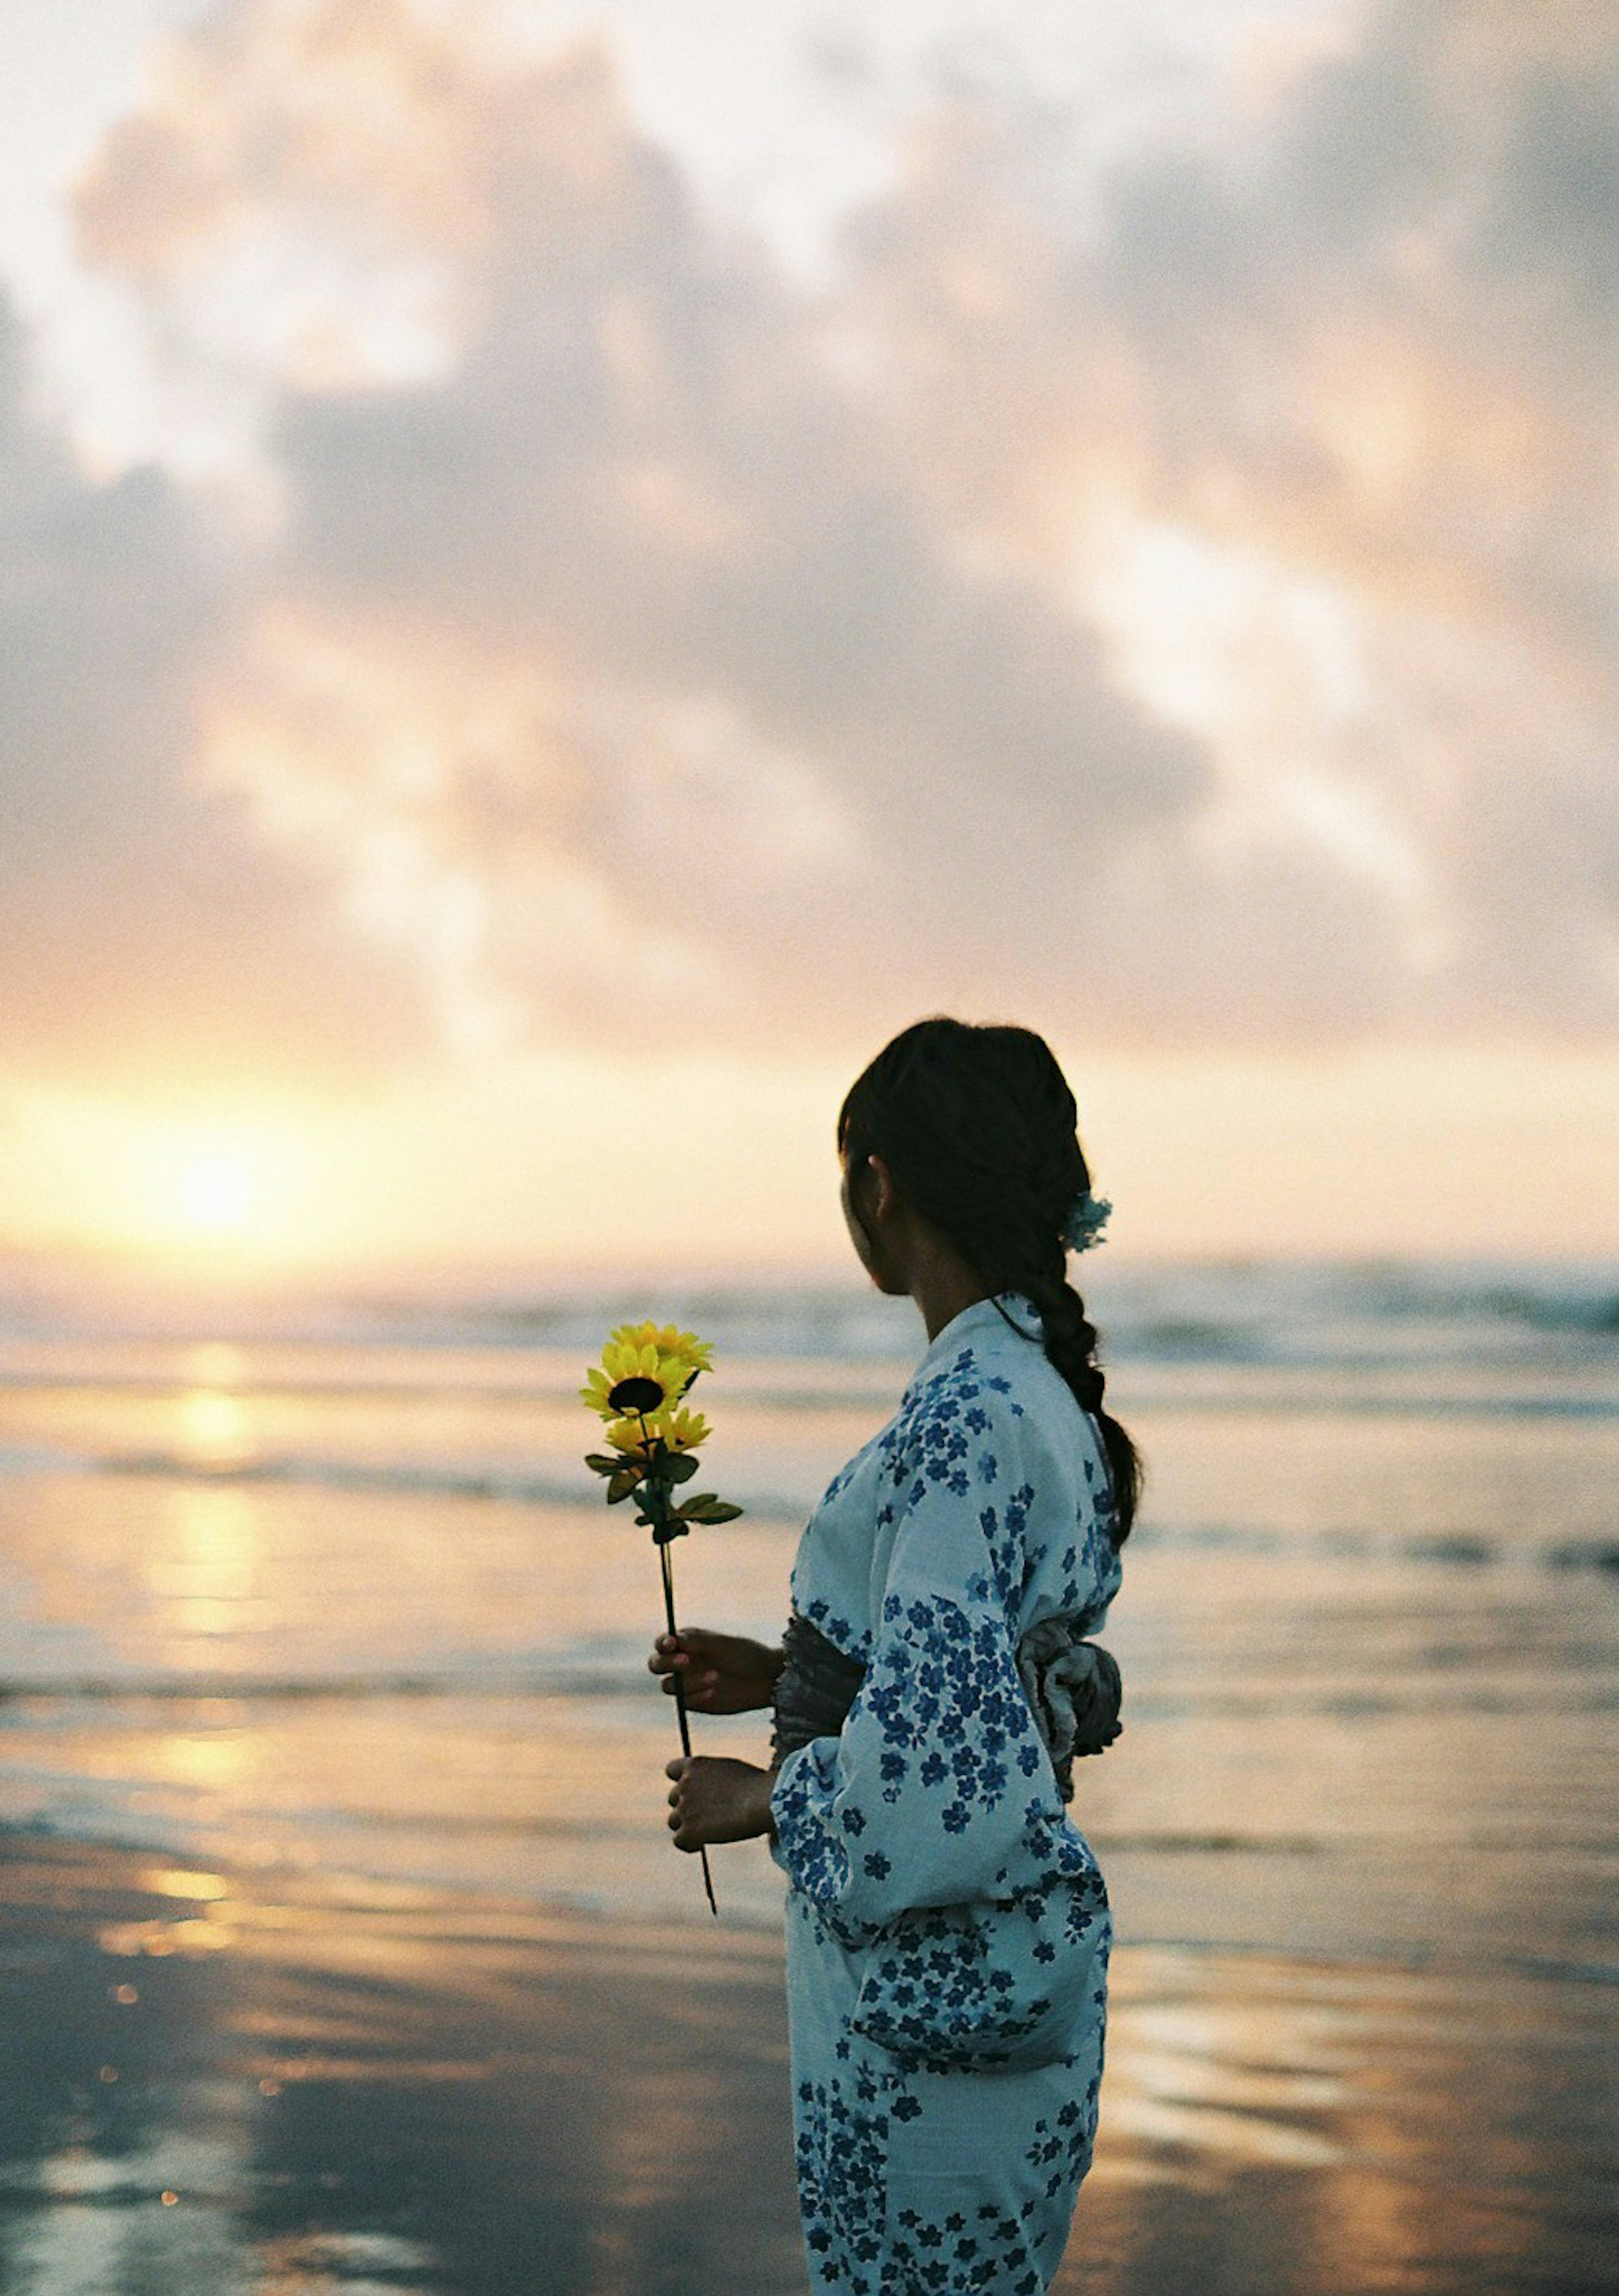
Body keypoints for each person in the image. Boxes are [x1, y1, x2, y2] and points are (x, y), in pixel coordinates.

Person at [648, 1016, 1141, 2294]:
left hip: (929, 1993)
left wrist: (762, 1796)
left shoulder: (968, 1411)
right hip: (1003, 1976)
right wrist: (783, 1676)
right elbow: (974, 1676)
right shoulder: (1034, 1389)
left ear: (880, 1181)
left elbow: (936, 1772)